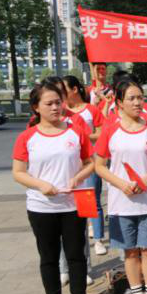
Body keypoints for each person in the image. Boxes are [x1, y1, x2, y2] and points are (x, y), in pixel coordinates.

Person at [13, 82, 95, 294]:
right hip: (41, 206)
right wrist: (41, 184)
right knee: (48, 257)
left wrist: (78, 177)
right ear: (36, 107)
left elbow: (91, 162)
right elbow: (18, 172)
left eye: (58, 102)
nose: (55, 107)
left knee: (76, 255)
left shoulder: (75, 131)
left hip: (73, 204)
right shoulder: (27, 137)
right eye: (49, 103)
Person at [94, 79, 147, 294]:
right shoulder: (110, 130)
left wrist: (146, 179)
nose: (138, 102)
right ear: (119, 102)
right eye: (131, 98)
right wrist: (121, 184)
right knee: (130, 252)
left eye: (140, 97)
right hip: (121, 202)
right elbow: (99, 165)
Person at [64, 75, 107, 257]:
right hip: (69, 163)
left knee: (92, 200)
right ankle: (78, 242)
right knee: (72, 203)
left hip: (89, 160)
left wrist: (81, 137)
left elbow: (102, 133)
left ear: (74, 89)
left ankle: (98, 239)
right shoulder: (61, 111)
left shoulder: (91, 110)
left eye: (64, 89)